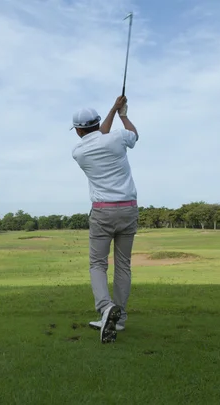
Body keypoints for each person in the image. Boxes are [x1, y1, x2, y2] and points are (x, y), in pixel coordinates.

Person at [70, 95, 140, 344]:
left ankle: (105, 307)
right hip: (128, 209)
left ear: (78, 130)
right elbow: (133, 135)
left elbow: (98, 136)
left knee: (98, 265)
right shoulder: (117, 137)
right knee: (123, 265)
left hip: (102, 212)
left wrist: (113, 109)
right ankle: (119, 319)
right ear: (97, 122)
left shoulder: (78, 152)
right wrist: (122, 114)